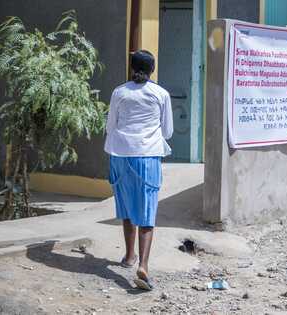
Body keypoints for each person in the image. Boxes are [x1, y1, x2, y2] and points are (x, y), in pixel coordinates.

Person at [104, 50, 173, 291]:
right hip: (148, 156)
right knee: (147, 210)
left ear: (131, 67)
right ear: (152, 69)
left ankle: (129, 255)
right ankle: (143, 265)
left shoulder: (119, 92)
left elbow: (110, 125)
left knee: (125, 206)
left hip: (120, 154)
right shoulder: (161, 94)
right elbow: (167, 131)